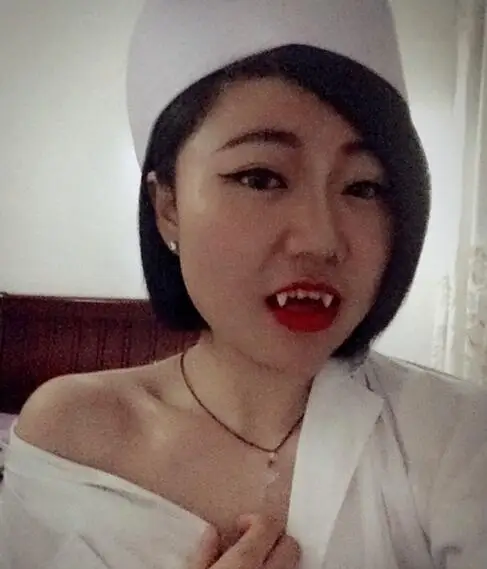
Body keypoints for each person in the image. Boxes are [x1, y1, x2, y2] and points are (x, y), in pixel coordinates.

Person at [1, 0, 486, 568]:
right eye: (260, 177)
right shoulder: (70, 433)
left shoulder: (453, 436)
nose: (321, 240)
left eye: (364, 187)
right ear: (168, 207)